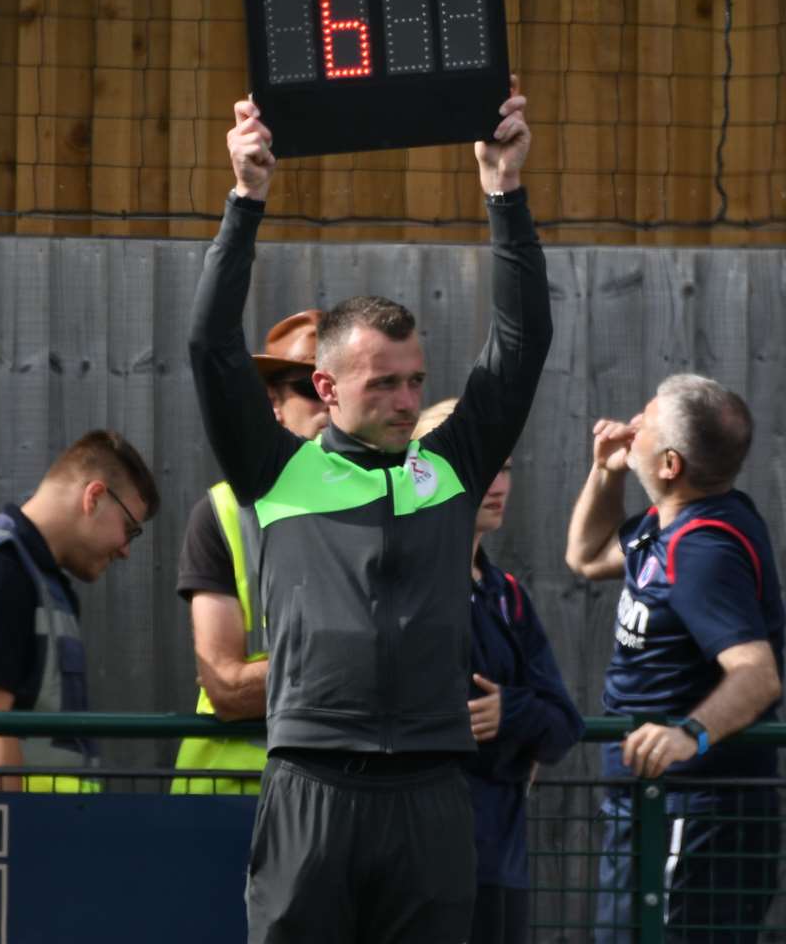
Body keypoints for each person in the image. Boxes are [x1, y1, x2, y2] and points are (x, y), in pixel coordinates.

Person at [190, 80, 549, 943]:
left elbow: (521, 343)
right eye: (382, 382)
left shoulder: (450, 466)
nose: (404, 397)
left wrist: (504, 194)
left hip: (431, 790)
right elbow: (208, 346)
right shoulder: (275, 473)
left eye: (415, 381)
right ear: (325, 386)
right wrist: (245, 200)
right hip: (311, 782)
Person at [564, 374, 786, 943]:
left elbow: (757, 676)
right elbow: (586, 557)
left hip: (694, 806)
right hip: (653, 799)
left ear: (669, 465)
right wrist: (604, 472)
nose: (629, 425)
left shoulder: (702, 549)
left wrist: (691, 733)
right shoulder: (664, 529)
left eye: (644, 419)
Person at [0, 430, 158, 793]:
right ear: (94, 497)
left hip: (28, 833)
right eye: (129, 529)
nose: (125, 550)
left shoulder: (35, 578)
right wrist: (10, 837)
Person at [413, 398, 582, 944]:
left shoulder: (505, 593)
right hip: (420, 864)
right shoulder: (404, 583)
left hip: (501, 861)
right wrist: (517, 736)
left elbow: (563, 724)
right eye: (481, 465)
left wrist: (514, 714)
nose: (497, 482)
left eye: (505, 466)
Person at [172, 308, 328, 795]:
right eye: (308, 388)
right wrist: (359, 668)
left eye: (337, 386)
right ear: (272, 403)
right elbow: (225, 688)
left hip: (336, 794)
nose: (327, 403)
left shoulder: (389, 508)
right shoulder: (221, 514)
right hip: (230, 801)